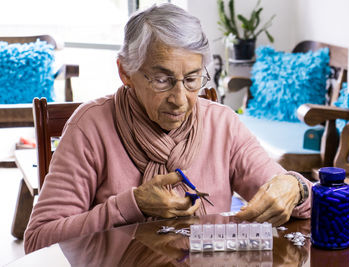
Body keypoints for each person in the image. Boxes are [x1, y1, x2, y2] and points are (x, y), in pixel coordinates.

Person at [24, 3, 312, 254]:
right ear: (125, 71)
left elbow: (320, 206)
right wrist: (131, 204)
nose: (179, 100)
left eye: (191, 79)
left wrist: (295, 186)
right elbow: (39, 241)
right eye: (162, 80)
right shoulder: (91, 126)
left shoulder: (222, 124)